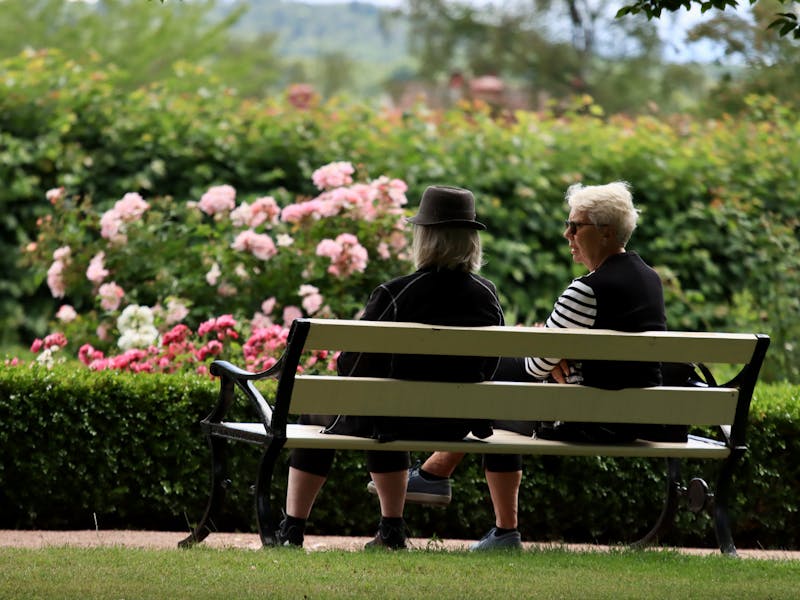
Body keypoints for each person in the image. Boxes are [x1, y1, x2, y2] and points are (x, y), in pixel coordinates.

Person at [370, 181, 667, 550]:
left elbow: (535, 365)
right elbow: (555, 356)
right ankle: (457, 492)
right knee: (504, 387)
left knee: (496, 380)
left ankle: (448, 482)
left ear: (606, 232)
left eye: (576, 226)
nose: (567, 234)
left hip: (592, 419)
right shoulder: (649, 279)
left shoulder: (586, 289)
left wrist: (551, 356)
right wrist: (555, 355)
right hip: (636, 413)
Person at [277, 185, 505, 550]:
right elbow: (489, 365)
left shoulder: (396, 292)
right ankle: (391, 532)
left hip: (392, 417)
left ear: (425, 238)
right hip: (453, 423)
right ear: (471, 242)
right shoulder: (487, 294)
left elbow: (353, 364)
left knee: (339, 409)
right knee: (385, 405)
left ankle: (292, 529)